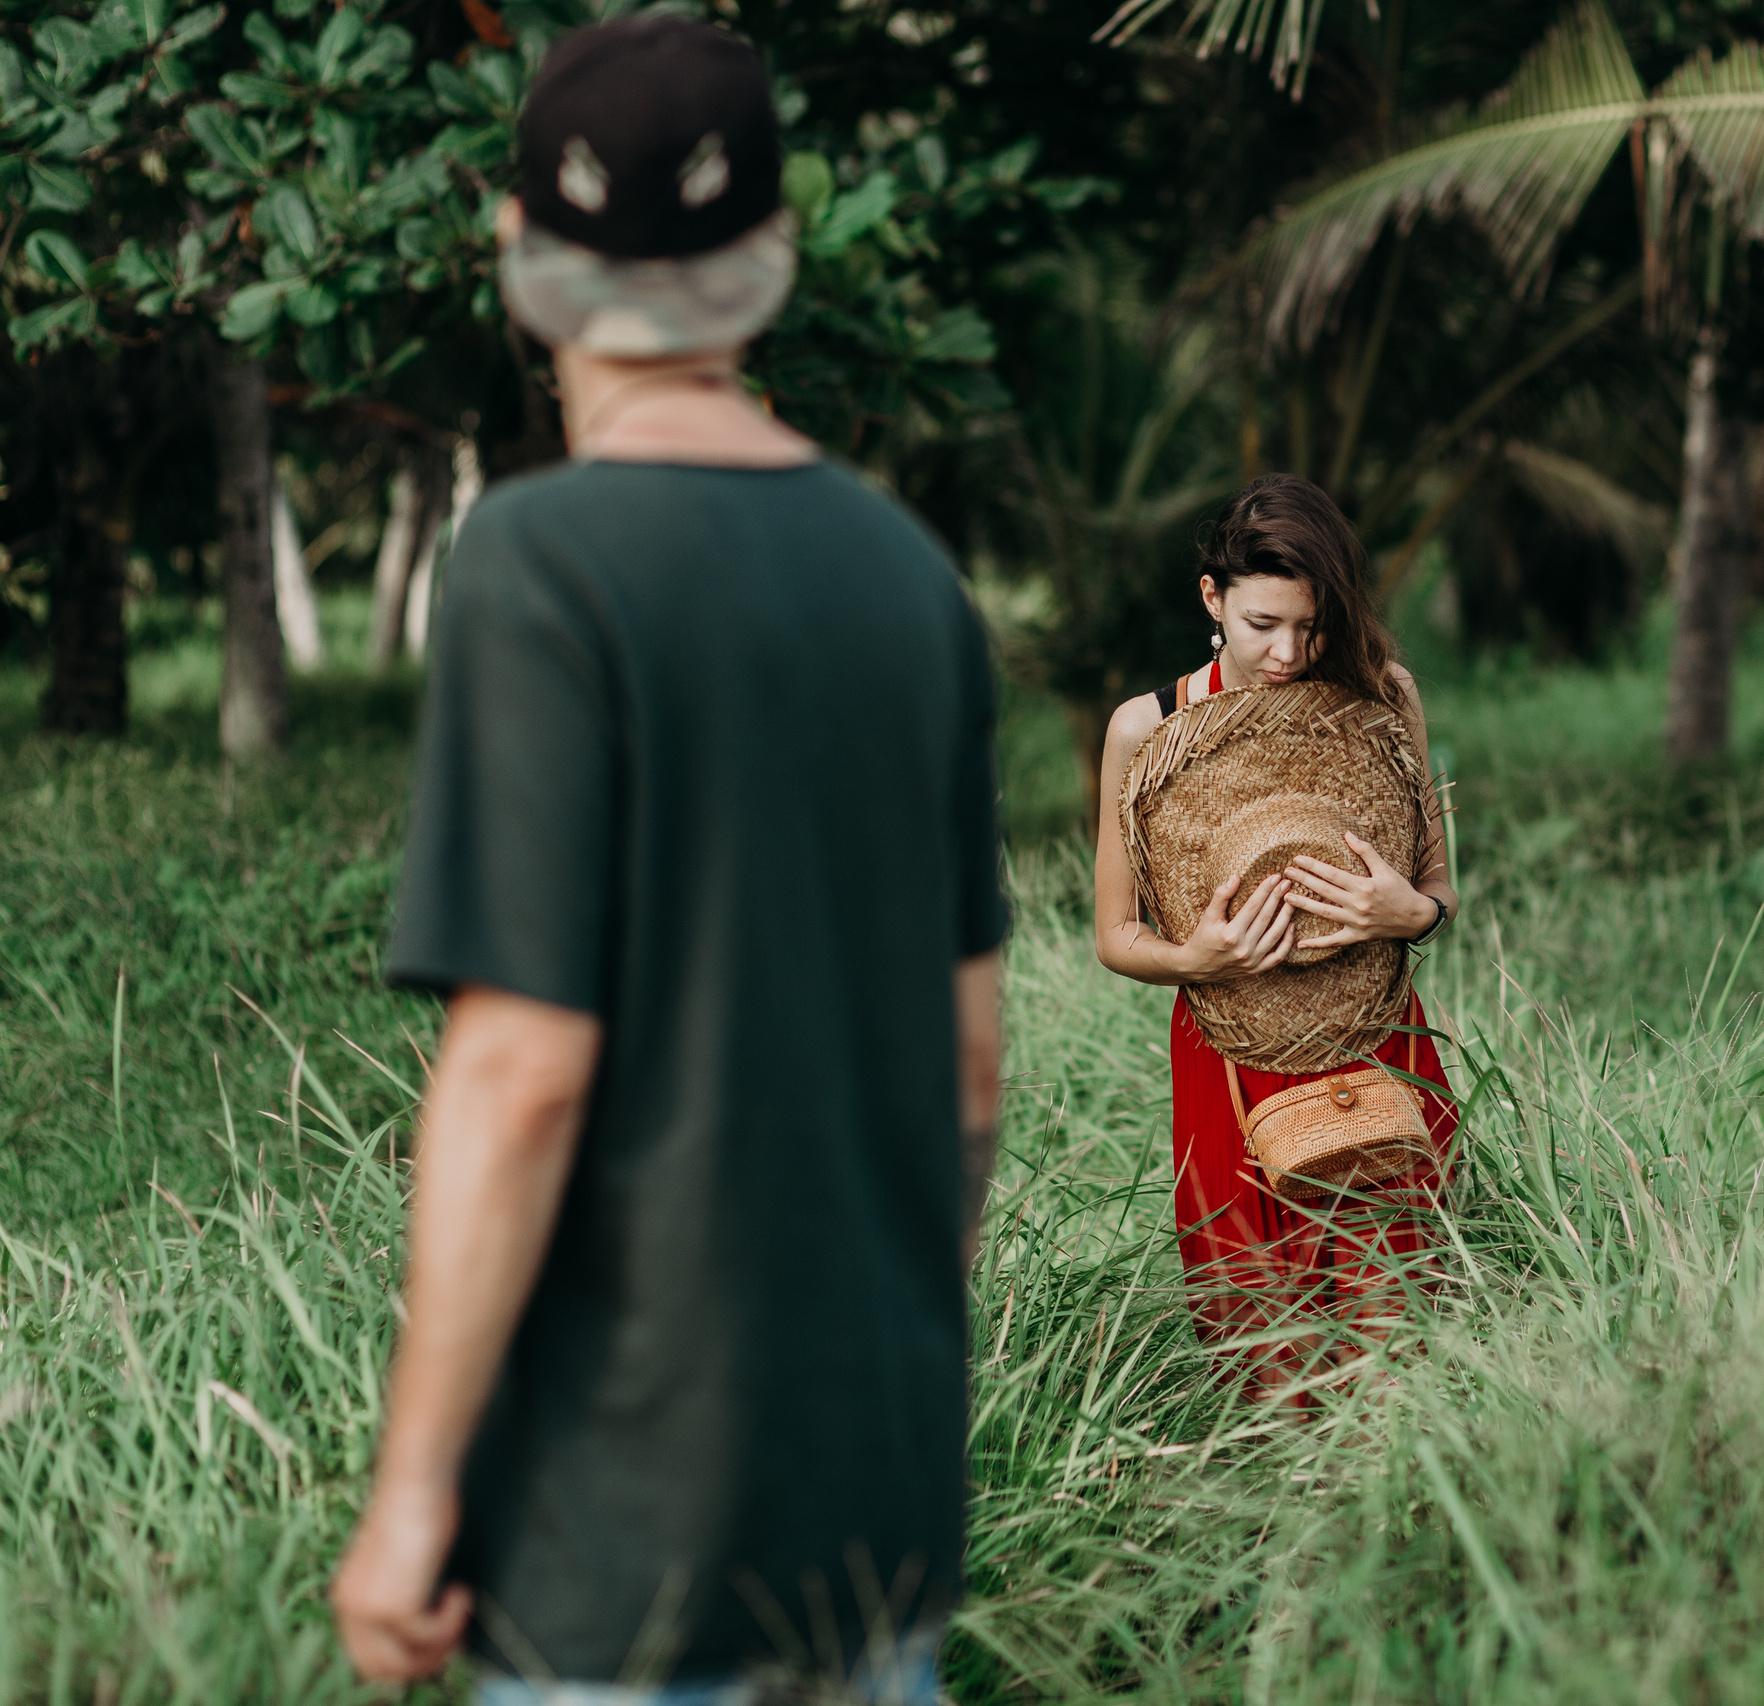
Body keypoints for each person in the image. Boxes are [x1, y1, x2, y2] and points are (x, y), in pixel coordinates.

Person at [328, 18, 1008, 1702]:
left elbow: (523, 1070)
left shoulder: (540, 565)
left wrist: (414, 1487)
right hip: (881, 1513)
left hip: (620, 1535)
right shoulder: (911, 578)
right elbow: (971, 1056)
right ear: (771, 258)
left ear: (519, 256)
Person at [1091, 474, 1459, 1403]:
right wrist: (1191, 960)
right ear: (1212, 599)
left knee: (1396, 1341)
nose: (1289, 652)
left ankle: (1401, 1526)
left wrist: (1406, 915)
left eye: (1311, 624)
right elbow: (1114, 933)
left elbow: (1439, 890)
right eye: (1263, 624)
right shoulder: (1147, 730)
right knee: (1267, 1348)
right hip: (1227, 1060)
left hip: (1373, 1042)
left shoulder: (1382, 698)